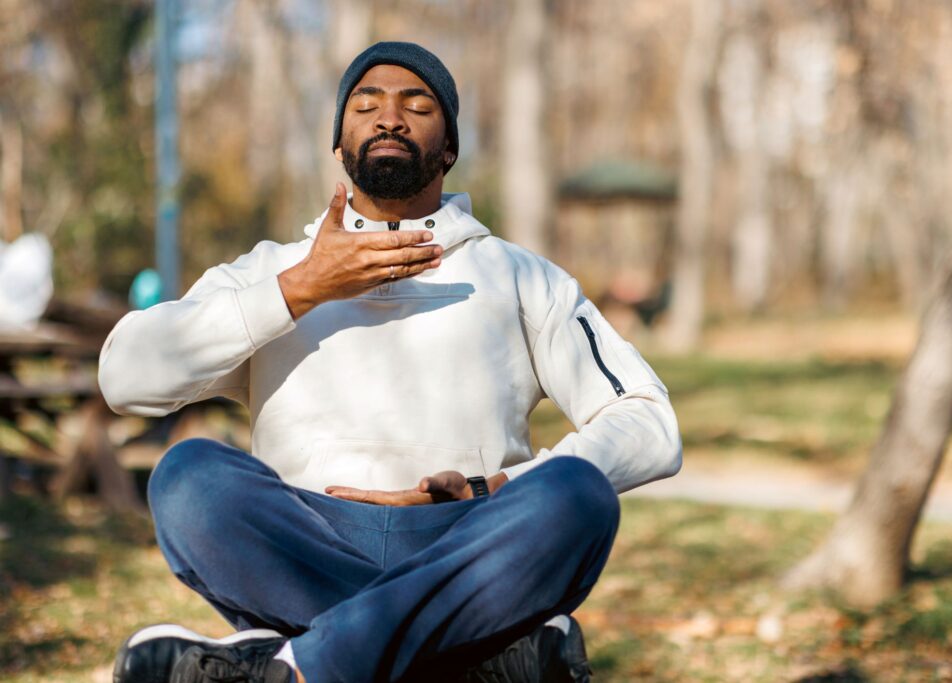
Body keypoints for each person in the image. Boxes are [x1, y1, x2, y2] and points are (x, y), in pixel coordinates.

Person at [100, 42, 681, 683]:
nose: (389, 118)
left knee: (578, 495)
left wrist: (499, 489)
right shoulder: (271, 271)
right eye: (366, 104)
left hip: (465, 542)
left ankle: (292, 664)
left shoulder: (519, 276)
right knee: (188, 476)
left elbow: (650, 423)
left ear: (450, 146)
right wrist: (302, 289)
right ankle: (466, 661)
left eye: (417, 104)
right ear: (340, 142)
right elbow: (125, 377)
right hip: (306, 544)